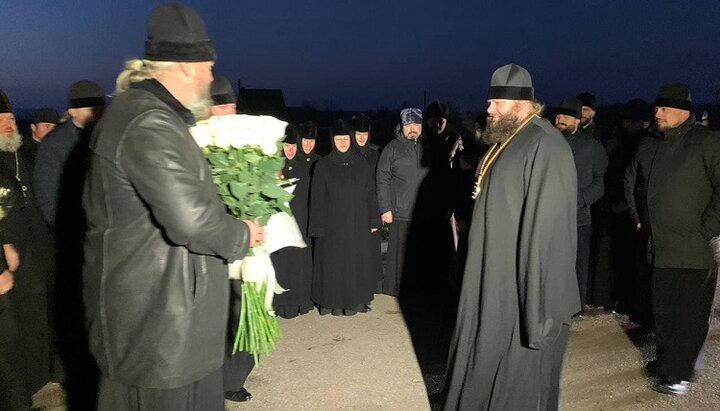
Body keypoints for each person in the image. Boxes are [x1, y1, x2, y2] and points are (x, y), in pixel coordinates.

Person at [82, 4, 263, 410]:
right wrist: (243, 233)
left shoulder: (153, 115)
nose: (212, 78)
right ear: (185, 66)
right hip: (157, 330)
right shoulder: (149, 122)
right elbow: (193, 222)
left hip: (172, 325)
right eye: (209, 67)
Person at [443, 64, 579, 410]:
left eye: (496, 103)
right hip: (490, 277)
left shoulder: (546, 144)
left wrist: (538, 308)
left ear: (520, 104)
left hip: (519, 290)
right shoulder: (509, 139)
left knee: (518, 382)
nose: (488, 110)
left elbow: (549, 233)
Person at [624, 83, 720, 396]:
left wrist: (706, 229)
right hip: (660, 245)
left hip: (694, 249)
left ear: (684, 111)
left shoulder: (707, 142)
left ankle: (679, 373)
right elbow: (636, 181)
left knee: (688, 316)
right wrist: (641, 219)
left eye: (664, 108)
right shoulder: (652, 144)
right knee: (663, 312)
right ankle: (668, 362)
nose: (657, 113)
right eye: (656, 108)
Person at [0, 89, 55, 407]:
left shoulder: (26, 156)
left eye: (10, 118)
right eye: (2, 120)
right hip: (10, 260)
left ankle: (39, 375)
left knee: (37, 317)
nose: (8, 124)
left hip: (36, 252)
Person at [207, 75, 257, 402]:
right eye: (220, 105)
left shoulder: (244, 141)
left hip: (245, 239)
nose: (227, 111)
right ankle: (217, 379)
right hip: (213, 242)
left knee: (245, 310)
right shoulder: (196, 141)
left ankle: (235, 375)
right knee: (218, 316)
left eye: (231, 105)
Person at [309, 119, 380, 315]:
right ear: (333, 141)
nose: (342, 142)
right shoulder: (323, 165)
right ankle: (332, 303)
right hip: (332, 227)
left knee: (356, 264)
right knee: (333, 266)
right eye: (338, 139)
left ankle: (356, 302)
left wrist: (374, 219)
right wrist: (317, 227)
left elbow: (370, 194)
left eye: (345, 139)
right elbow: (316, 199)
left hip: (357, 225)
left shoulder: (362, 164)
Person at [591, 98, 653, 321]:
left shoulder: (646, 146)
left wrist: (627, 205)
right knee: (614, 257)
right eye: (625, 121)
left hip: (634, 211)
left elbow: (641, 181)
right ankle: (614, 296)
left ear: (644, 123)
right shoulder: (619, 144)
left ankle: (631, 300)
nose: (627, 125)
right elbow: (613, 174)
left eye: (632, 121)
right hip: (615, 208)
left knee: (631, 260)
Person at [554, 97, 607, 316]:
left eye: (566, 116)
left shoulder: (591, 146)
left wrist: (582, 199)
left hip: (579, 217)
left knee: (577, 264)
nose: (560, 120)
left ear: (577, 120)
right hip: (550, 217)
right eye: (558, 115)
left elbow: (600, 181)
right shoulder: (547, 142)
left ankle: (575, 305)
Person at [375, 108, 428, 296]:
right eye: (408, 125)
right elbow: (382, 179)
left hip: (424, 212)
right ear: (402, 127)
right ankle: (396, 289)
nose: (412, 129)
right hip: (400, 211)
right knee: (399, 255)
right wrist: (385, 207)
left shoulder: (430, 146)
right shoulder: (392, 148)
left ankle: (420, 288)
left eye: (416, 124)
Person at [272, 124, 314, 319]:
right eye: (286, 146)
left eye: (293, 146)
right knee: (281, 264)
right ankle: (280, 304)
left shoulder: (305, 168)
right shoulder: (273, 168)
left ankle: (300, 302)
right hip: (280, 225)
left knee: (299, 265)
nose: (290, 150)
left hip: (301, 221)